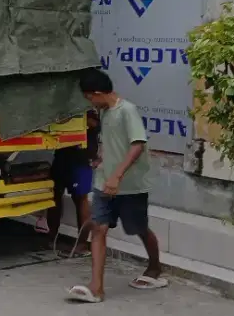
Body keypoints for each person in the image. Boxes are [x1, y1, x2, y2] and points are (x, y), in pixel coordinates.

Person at [68, 68, 164, 304]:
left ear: (99, 93)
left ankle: (155, 268)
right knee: (99, 229)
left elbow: (137, 145)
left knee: (139, 229)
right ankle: (96, 288)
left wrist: (117, 176)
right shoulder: (104, 112)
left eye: (90, 97)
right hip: (103, 183)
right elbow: (111, 141)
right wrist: (102, 159)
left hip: (130, 186)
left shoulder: (126, 110)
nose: (90, 102)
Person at [47, 109, 100, 256]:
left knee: (80, 198)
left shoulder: (90, 103)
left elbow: (94, 124)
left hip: (81, 156)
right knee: (54, 195)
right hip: (62, 152)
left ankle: (82, 245)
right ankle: (52, 237)